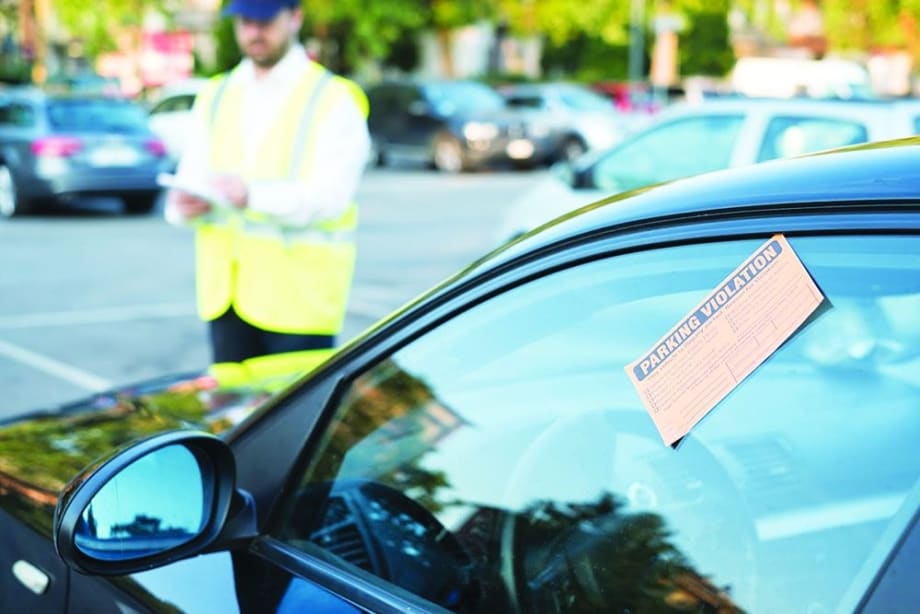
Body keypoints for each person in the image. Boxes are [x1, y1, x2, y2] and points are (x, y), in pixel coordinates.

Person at [164, 0, 370, 375]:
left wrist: (251, 195)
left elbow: (331, 198)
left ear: (295, 18)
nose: (254, 31)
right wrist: (182, 207)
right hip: (225, 300)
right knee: (235, 427)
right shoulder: (217, 93)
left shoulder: (334, 98)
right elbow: (191, 178)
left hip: (300, 306)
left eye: (265, 20)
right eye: (245, 21)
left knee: (293, 431)